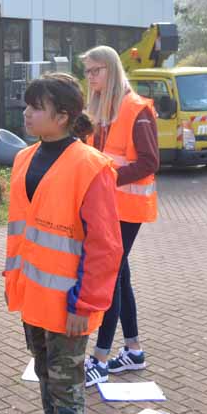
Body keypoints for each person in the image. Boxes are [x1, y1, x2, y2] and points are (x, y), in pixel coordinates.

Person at [6, 72, 123, 414]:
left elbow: (105, 247)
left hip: (70, 304)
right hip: (34, 297)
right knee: (46, 376)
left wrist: (86, 304)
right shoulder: (24, 157)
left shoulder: (92, 167)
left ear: (63, 116)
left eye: (36, 107)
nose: (27, 113)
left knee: (67, 385)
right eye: (28, 105)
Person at [79, 46, 159, 386]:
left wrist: (106, 178)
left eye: (96, 70)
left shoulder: (137, 109)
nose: (91, 77)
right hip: (106, 207)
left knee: (110, 276)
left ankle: (99, 357)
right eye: (88, 72)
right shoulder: (99, 109)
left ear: (111, 70)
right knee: (119, 275)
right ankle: (133, 350)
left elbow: (149, 162)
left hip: (126, 209)